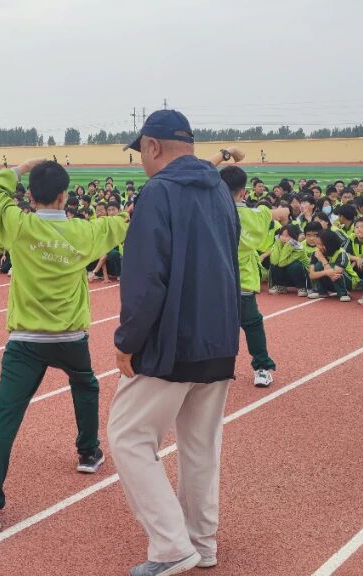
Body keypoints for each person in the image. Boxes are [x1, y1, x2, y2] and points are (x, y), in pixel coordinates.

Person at [0, 158, 129, 533]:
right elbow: (123, 222)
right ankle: (88, 452)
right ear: (65, 195)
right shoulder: (85, 231)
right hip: (71, 336)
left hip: (26, 340)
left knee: (6, 415)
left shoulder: (18, 224)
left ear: (31, 196)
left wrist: (20, 168)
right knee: (85, 383)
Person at [109, 110, 240, 576]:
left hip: (172, 341)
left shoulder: (157, 192)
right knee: (201, 446)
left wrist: (127, 341)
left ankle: (170, 547)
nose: (141, 161)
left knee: (127, 437)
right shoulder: (220, 189)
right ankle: (202, 544)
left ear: (152, 146)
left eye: (140, 152)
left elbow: (146, 279)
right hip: (219, 336)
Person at [214, 155, 290, 388]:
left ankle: (214, 368)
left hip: (214, 280)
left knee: (214, 325)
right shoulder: (257, 215)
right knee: (253, 324)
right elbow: (282, 213)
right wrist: (282, 217)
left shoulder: (210, 212)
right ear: (244, 192)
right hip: (243, 279)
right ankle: (262, 368)